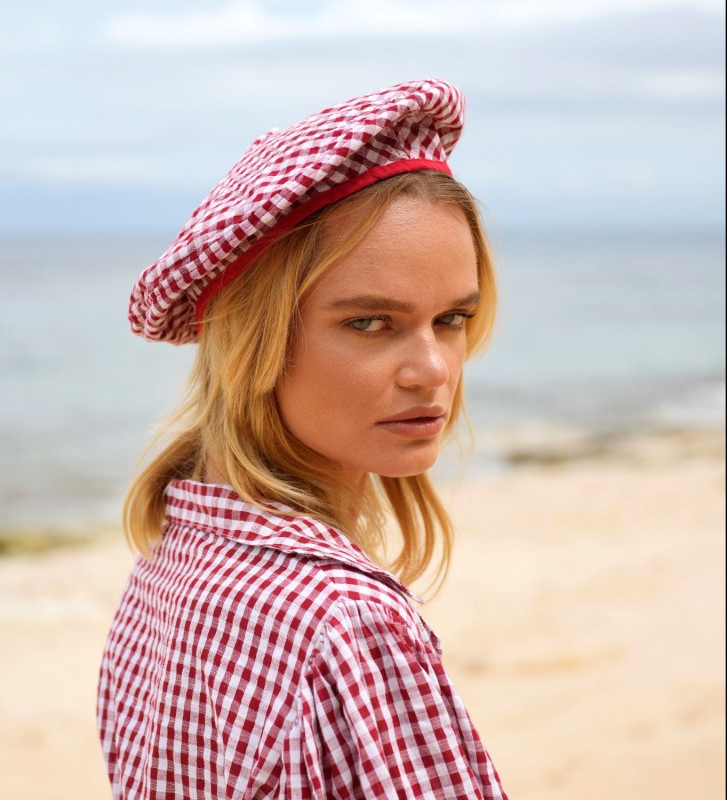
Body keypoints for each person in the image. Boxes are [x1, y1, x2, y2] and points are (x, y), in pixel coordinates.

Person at [98, 79, 508, 799]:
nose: (434, 369)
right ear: (254, 341)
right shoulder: (345, 625)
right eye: (369, 322)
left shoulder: (172, 561)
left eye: (451, 318)